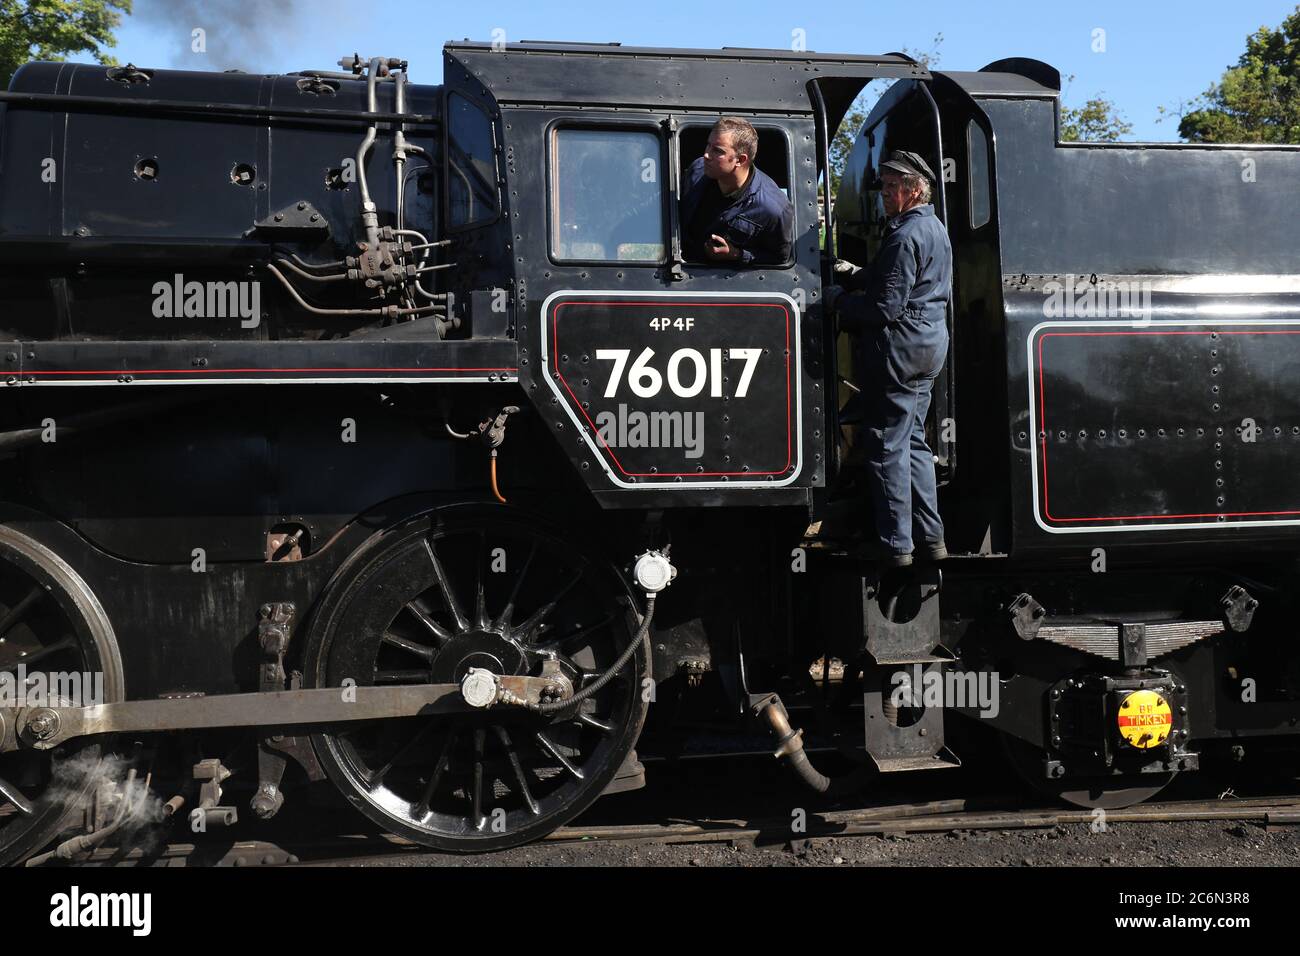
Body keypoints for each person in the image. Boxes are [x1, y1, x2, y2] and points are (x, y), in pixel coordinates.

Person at [827, 150, 952, 568]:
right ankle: (931, 539)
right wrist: (853, 272)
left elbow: (885, 307)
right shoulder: (933, 228)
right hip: (929, 346)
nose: (883, 192)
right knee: (914, 442)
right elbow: (895, 276)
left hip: (899, 350)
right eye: (883, 184)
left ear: (913, 190)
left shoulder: (903, 236)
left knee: (884, 444)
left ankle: (897, 545)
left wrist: (839, 300)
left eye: (890, 185)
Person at [679, 117, 794, 266]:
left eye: (717, 151)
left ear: (740, 160)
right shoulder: (697, 170)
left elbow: (781, 258)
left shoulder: (774, 209)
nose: (706, 155)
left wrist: (736, 254)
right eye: (708, 145)